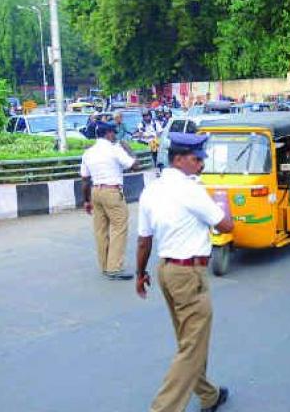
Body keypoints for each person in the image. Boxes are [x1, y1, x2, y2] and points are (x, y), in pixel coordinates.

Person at [135, 132, 234, 412]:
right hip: (190, 274)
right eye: (196, 159)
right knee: (192, 346)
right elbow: (226, 226)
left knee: (190, 340)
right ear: (178, 160)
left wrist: (139, 274)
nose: (201, 164)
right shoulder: (191, 190)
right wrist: (225, 206)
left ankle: (209, 395)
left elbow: (144, 240)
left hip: (166, 271)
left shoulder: (151, 190)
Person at [80, 122, 140, 280]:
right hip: (112, 191)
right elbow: (135, 166)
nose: (115, 135)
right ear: (108, 134)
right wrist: (129, 150)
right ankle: (114, 267)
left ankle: (104, 265)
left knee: (100, 230)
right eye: (113, 132)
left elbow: (85, 180)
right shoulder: (115, 149)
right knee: (119, 227)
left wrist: (86, 201)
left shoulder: (89, 152)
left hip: (95, 191)